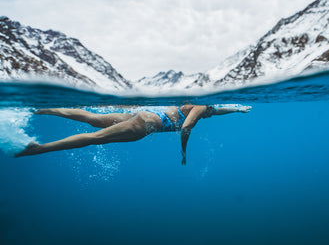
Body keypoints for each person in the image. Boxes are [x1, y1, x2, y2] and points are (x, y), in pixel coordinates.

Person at [15, 104, 251, 164]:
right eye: (212, 112)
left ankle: (41, 109)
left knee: (92, 118)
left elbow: (217, 111)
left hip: (142, 113)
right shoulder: (201, 108)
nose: (211, 115)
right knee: (95, 139)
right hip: (144, 124)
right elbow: (188, 126)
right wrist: (183, 151)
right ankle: (38, 149)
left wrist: (237, 109)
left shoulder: (201, 106)